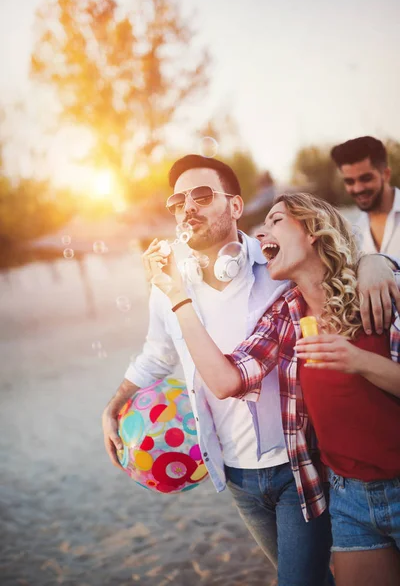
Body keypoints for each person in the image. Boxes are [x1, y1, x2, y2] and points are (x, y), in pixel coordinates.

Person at [102, 155, 398, 586]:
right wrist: (114, 403)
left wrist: (381, 263)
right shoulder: (170, 288)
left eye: (202, 196)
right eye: (178, 201)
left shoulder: (279, 264)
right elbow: (159, 355)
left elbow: (340, 250)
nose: (188, 207)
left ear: (236, 206)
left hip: (301, 465)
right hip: (237, 475)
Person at [331, 136, 400, 256]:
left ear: (386, 174)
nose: (358, 188)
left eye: (366, 178)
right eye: (349, 181)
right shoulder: (354, 232)